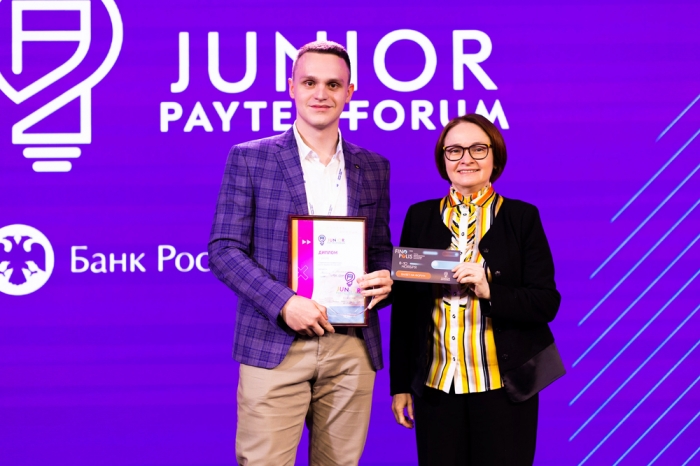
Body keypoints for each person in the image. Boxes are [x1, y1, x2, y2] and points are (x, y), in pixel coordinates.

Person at [208, 40, 393, 466]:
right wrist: (285, 303)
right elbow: (223, 249)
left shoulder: (374, 166)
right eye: (310, 82)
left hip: (351, 346)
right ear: (291, 87)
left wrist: (386, 278)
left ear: (350, 92)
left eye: (333, 84)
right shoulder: (250, 158)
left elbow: (379, 248)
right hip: (274, 342)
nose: (321, 93)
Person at [389, 114, 565, 465]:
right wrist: (401, 385)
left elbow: (546, 302)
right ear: (443, 159)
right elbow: (406, 308)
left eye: (478, 149)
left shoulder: (522, 217)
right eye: (454, 150)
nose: (465, 159)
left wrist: (489, 290)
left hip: (503, 386)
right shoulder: (419, 216)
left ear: (495, 156)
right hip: (437, 385)